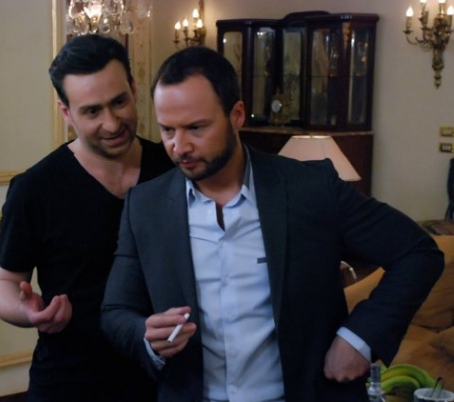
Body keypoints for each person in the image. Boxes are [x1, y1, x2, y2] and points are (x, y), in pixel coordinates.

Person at [100, 46, 444, 402]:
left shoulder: (312, 189)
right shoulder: (145, 206)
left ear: (236, 114)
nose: (179, 146)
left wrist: (359, 338)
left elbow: (418, 253)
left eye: (196, 128)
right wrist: (146, 335)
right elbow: (115, 313)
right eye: (167, 130)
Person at [0, 34, 174, 402]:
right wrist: (29, 312)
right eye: (92, 112)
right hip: (69, 381)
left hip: (166, 380)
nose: (112, 123)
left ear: (134, 88)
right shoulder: (35, 188)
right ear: (66, 112)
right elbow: (5, 284)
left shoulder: (173, 171)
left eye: (119, 102)